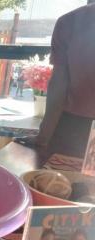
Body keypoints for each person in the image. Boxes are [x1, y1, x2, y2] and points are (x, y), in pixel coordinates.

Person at [20, 1, 95, 157]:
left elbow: (59, 86)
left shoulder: (71, 21)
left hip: (72, 129)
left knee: (61, 180)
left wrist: (43, 137)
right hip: (73, 127)